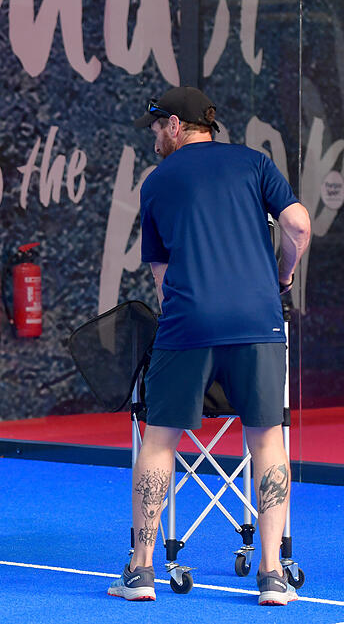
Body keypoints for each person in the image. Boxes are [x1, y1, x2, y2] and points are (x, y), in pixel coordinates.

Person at [107, 86, 311, 605]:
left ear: (176, 125)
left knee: (158, 440)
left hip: (188, 322)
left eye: (156, 127)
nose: (154, 137)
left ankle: (142, 572)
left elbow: (161, 275)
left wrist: (187, 307)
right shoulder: (254, 163)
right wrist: (281, 277)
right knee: (266, 439)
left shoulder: (155, 184)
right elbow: (297, 223)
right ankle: (272, 575)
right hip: (257, 319)